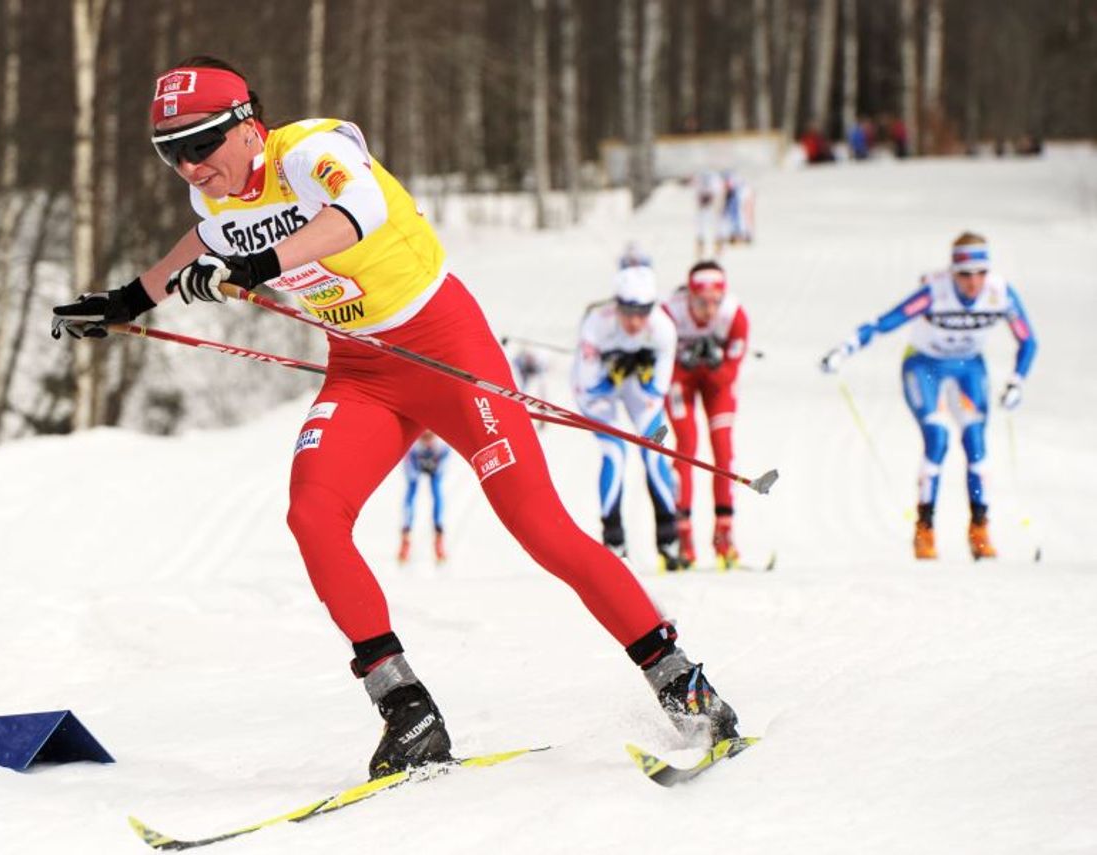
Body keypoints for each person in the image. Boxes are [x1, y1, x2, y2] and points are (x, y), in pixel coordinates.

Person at [49, 56, 738, 778]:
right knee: (312, 514)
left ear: (248, 128)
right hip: (365, 373)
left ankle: (683, 683)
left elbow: (359, 213)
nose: (189, 167)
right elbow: (202, 244)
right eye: (171, 153)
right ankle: (408, 710)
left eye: (200, 146)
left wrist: (259, 266)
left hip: (450, 355)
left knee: (541, 528)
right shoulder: (217, 200)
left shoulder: (312, 151)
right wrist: (126, 302)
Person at [819, 232, 1038, 560]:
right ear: (952, 272)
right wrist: (844, 349)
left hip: (968, 368)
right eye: (964, 274)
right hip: (924, 365)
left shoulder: (1000, 293)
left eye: (980, 273)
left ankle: (979, 529)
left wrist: (1017, 381)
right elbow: (885, 322)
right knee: (937, 439)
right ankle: (925, 530)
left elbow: (1028, 340)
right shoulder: (935, 292)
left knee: (976, 443)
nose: (973, 282)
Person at [572, 265, 687, 572]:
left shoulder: (663, 328)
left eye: (642, 312)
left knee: (654, 452)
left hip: (637, 387)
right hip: (599, 392)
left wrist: (642, 371)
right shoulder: (597, 324)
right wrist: (611, 374)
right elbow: (587, 383)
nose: (635, 321)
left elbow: (656, 390)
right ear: (616, 305)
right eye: (628, 311)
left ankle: (669, 539)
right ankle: (613, 540)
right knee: (615, 453)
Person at [663, 261, 750, 569]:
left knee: (723, 449)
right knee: (685, 446)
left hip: (717, 385)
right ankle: (682, 534)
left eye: (716, 301)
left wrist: (714, 364)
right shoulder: (670, 313)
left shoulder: (734, 315)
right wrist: (682, 362)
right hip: (681, 382)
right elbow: (659, 367)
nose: (709, 310)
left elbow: (730, 373)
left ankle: (724, 532)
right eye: (701, 302)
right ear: (689, 296)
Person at [399, 430, 450, 563]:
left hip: (435, 464)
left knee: (437, 493)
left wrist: (437, 469)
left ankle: (438, 535)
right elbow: (408, 464)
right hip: (416, 462)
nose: (427, 440)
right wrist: (412, 474)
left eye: (430, 436)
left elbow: (445, 460)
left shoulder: (441, 445)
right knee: (411, 493)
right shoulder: (414, 445)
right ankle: (406, 535)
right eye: (424, 436)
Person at [717, 170, 754, 250]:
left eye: (736, 239)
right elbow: (749, 217)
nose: (738, 238)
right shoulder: (745, 230)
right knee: (738, 192)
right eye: (739, 239)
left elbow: (723, 217)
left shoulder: (728, 229)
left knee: (734, 193)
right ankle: (732, 176)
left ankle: (729, 176)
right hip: (739, 206)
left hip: (733, 206)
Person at [692, 171, 721, 259]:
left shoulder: (714, 178)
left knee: (714, 229)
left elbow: (717, 193)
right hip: (704, 207)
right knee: (702, 229)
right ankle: (701, 251)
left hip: (710, 207)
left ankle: (716, 250)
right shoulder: (701, 177)